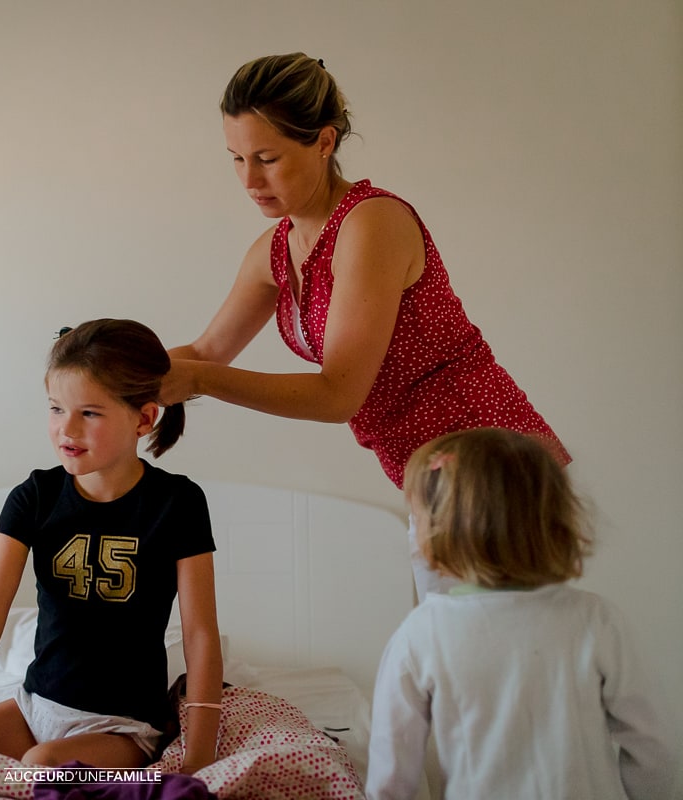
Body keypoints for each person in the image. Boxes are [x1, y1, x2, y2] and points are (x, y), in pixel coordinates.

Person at [160, 53, 569, 600]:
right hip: (430, 479)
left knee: (494, 664)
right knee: (452, 657)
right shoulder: (275, 251)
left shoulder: (371, 223)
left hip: (498, 470)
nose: (249, 179)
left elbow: (339, 394)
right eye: (236, 158)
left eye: (267, 157)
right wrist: (111, 375)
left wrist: (198, 381)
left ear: (324, 142)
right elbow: (206, 351)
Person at [0, 318, 224, 780]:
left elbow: (199, 632)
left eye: (90, 413)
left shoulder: (177, 503)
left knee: (41, 767)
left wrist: (198, 758)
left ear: (143, 418)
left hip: (120, 726)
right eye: (56, 409)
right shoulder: (35, 497)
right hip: (34, 706)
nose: (67, 429)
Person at [366, 427, 678, 800]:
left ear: (437, 533)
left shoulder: (421, 633)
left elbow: (392, 773)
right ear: (554, 522)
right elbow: (654, 745)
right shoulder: (596, 619)